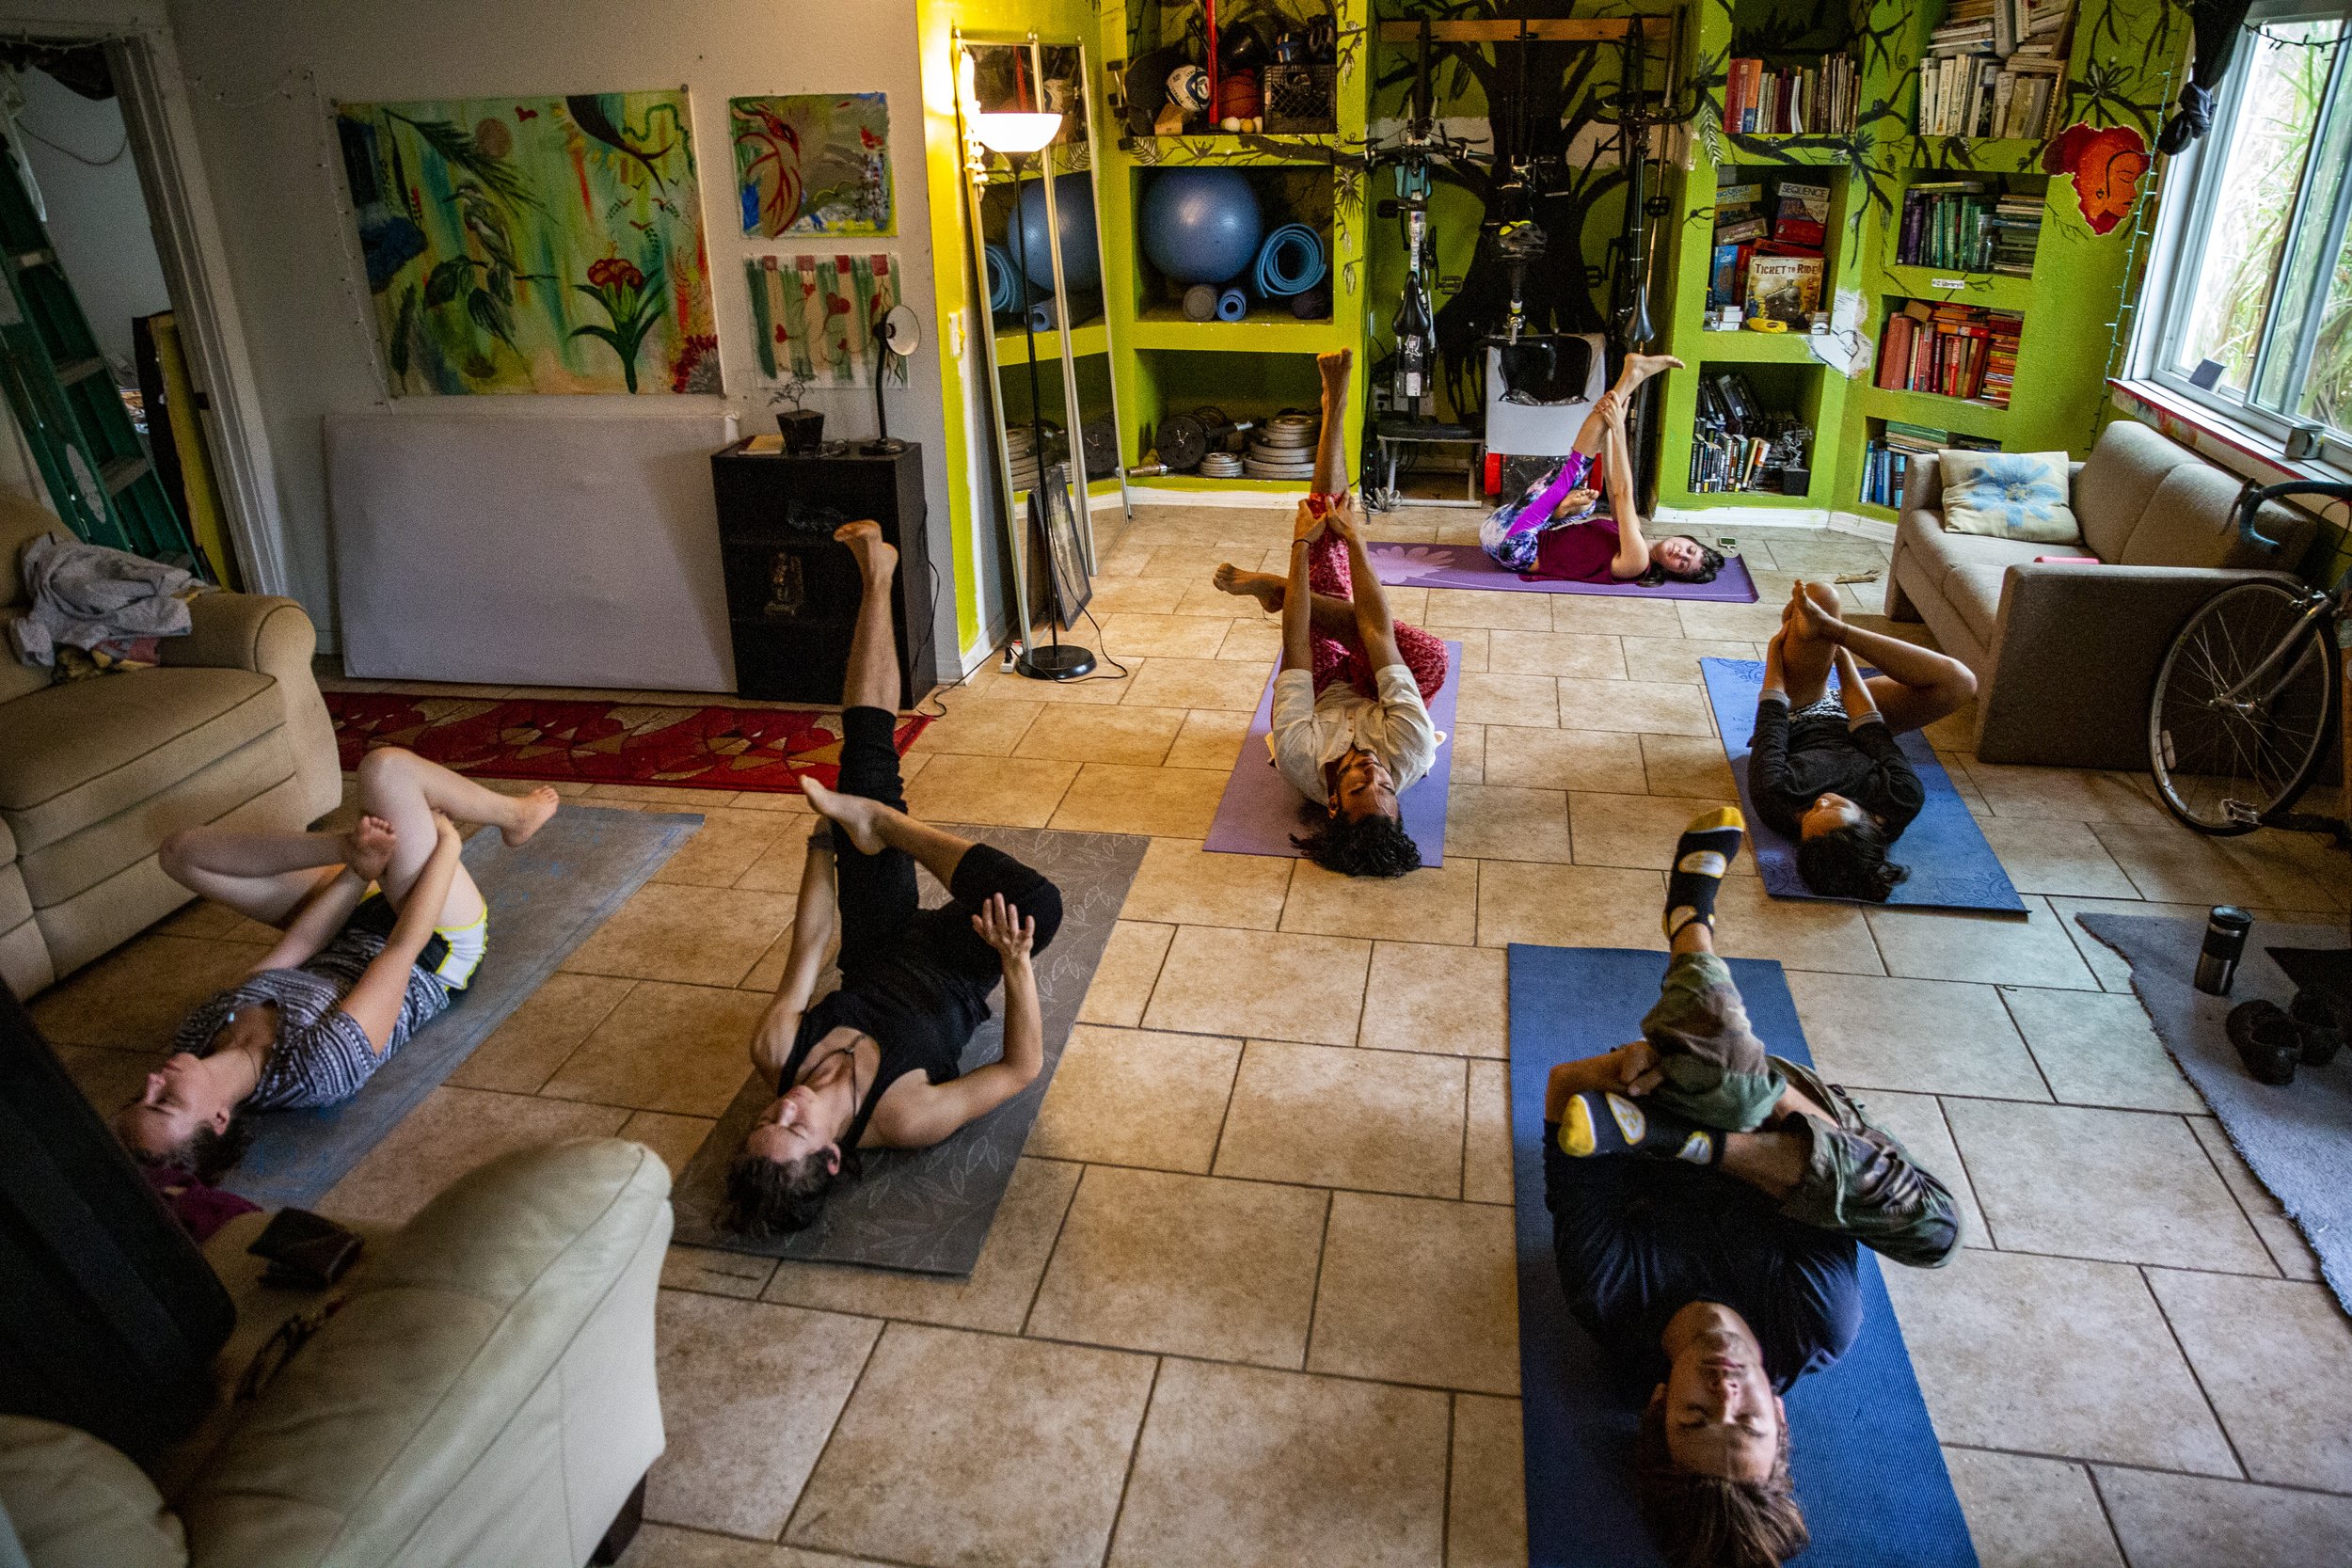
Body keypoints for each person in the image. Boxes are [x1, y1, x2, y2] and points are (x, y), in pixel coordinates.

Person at [1543, 806, 1962, 1567]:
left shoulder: (1608, 1294)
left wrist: (1607, 1074)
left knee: (1714, 1074)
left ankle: (1691, 928)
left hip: (1660, 1093)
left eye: (1698, 1417)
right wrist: (1731, 1127)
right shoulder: (1813, 1325)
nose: (1724, 1391)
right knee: (1938, 1234)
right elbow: (1830, 1163)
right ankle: (1689, 935)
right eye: (1747, 1422)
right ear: (1780, 1419)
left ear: (1658, 1407)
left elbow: (1563, 1094)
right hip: (1796, 1121)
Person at [723, 520, 1065, 1238]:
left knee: (866, 757)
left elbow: (811, 944)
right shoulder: (906, 1115)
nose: (782, 1105)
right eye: (793, 1125)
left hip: (876, 946)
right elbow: (1019, 1069)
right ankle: (885, 822)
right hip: (952, 967)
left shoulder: (776, 1053)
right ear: (835, 1158)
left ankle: (876, 574)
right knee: (1038, 904)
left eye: (767, 1115)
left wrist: (824, 845)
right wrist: (1015, 965)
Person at [115, 749, 560, 1182]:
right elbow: (403, 948)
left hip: (347, 926)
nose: (154, 1080)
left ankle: (352, 842)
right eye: (165, 1101)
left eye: (143, 1094)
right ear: (218, 1118)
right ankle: (514, 817)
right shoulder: (318, 1070)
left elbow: (301, 946)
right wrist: (447, 844)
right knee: (387, 771)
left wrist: (358, 864)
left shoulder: (200, 1036)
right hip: (432, 944)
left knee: (181, 853)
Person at [1211, 493, 1442, 879]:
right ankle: (1282, 582)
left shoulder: (1297, 756)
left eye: (1358, 789)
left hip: (1319, 692)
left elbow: (1296, 641)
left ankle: (1281, 584)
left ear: (1332, 803)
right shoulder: (1412, 747)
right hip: (1372, 694)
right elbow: (1377, 633)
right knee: (1431, 656)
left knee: (1321, 575)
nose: (1373, 773)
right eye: (1386, 789)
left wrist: (1300, 544)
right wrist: (1354, 538)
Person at [1753, 579, 1978, 901]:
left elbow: (1771, 722)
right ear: (1873, 820)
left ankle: (1804, 632)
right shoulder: (1901, 799)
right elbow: (1873, 732)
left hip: (1798, 710)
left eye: (1812, 811)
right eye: (1835, 806)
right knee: (1961, 682)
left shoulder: (1776, 802)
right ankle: (1826, 626)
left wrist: (1775, 653)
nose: (1823, 798)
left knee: (1820, 595)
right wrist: (1839, 647)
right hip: (1860, 715)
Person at [1482, 353, 1725, 586]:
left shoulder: (1637, 562)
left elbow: (1622, 492)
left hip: (1515, 546)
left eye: (1682, 564)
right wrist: (1609, 430)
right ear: (1688, 539)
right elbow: (1612, 482)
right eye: (1689, 550)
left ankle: (1631, 376)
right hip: (1508, 530)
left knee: (1572, 472)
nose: (1680, 554)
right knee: (1572, 476)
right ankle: (1631, 377)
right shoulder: (1634, 535)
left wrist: (1618, 428)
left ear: (1673, 572)